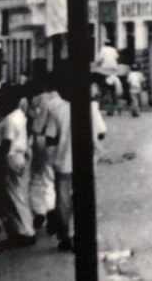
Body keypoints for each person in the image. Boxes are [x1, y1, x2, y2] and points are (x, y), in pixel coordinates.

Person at [44, 72, 107, 252]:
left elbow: (50, 138)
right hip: (85, 163)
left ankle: (65, 236)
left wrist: (51, 158)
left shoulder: (57, 110)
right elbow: (101, 133)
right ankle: (81, 234)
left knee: (63, 202)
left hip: (62, 162)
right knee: (83, 200)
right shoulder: (91, 109)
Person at [0, 84, 36, 247]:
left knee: (14, 197)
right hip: (20, 155)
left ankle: (24, 231)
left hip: (11, 157)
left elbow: (6, 143)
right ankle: (22, 229)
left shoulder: (10, 120)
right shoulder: (20, 115)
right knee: (19, 195)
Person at [28, 74, 58, 233]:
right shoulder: (62, 101)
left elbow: (37, 126)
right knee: (51, 177)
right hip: (58, 142)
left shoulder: (41, 100)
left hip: (42, 139)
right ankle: (52, 208)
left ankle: (40, 210)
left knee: (37, 176)